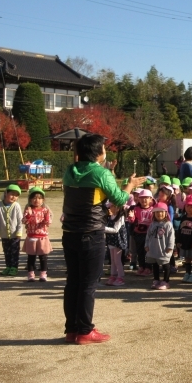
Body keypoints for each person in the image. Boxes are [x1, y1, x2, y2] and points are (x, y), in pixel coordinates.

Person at [62, 133, 145, 345]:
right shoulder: (101, 173)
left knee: (73, 281)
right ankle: (85, 330)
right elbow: (119, 198)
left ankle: (72, 329)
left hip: (70, 232)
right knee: (88, 284)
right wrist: (130, 186)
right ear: (99, 152)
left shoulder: (70, 171)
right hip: (91, 233)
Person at [22, 187, 53, 282]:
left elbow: (48, 223)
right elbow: (24, 221)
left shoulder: (45, 210)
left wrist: (47, 217)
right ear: (30, 199)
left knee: (43, 257)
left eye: (39, 198)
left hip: (42, 237)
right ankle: (31, 274)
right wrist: (29, 215)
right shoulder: (28, 209)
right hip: (31, 236)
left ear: (43, 200)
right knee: (31, 257)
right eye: (34, 198)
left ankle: (43, 274)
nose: (37, 200)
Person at [0, 184, 23, 276]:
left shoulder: (16, 206)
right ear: (6, 193)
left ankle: (14, 267)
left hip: (15, 234)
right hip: (4, 234)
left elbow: (20, 220)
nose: (14, 197)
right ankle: (8, 266)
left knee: (14, 251)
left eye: (16, 195)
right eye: (12, 194)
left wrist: (19, 232)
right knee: (7, 251)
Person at [145, 202, 175, 290]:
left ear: (166, 213)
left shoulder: (168, 224)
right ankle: (156, 279)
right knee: (155, 265)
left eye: (161, 212)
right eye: (157, 212)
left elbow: (171, 237)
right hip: (153, 248)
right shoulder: (152, 224)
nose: (159, 214)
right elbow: (148, 235)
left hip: (164, 249)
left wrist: (170, 247)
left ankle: (166, 281)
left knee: (166, 265)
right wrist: (146, 245)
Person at [129, 189, 155, 276]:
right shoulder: (136, 209)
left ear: (151, 199)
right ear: (138, 199)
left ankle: (148, 267)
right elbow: (132, 221)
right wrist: (131, 217)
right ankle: (141, 266)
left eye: (146, 198)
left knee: (147, 251)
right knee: (139, 251)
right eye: (142, 198)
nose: (144, 200)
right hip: (138, 233)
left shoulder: (153, 209)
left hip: (149, 234)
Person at [104, 202, 127, 286]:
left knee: (117, 260)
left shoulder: (121, 217)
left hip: (118, 241)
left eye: (112, 206)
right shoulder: (111, 216)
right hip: (111, 240)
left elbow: (115, 229)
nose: (110, 208)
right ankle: (113, 275)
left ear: (118, 208)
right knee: (113, 260)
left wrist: (103, 228)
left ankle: (120, 277)